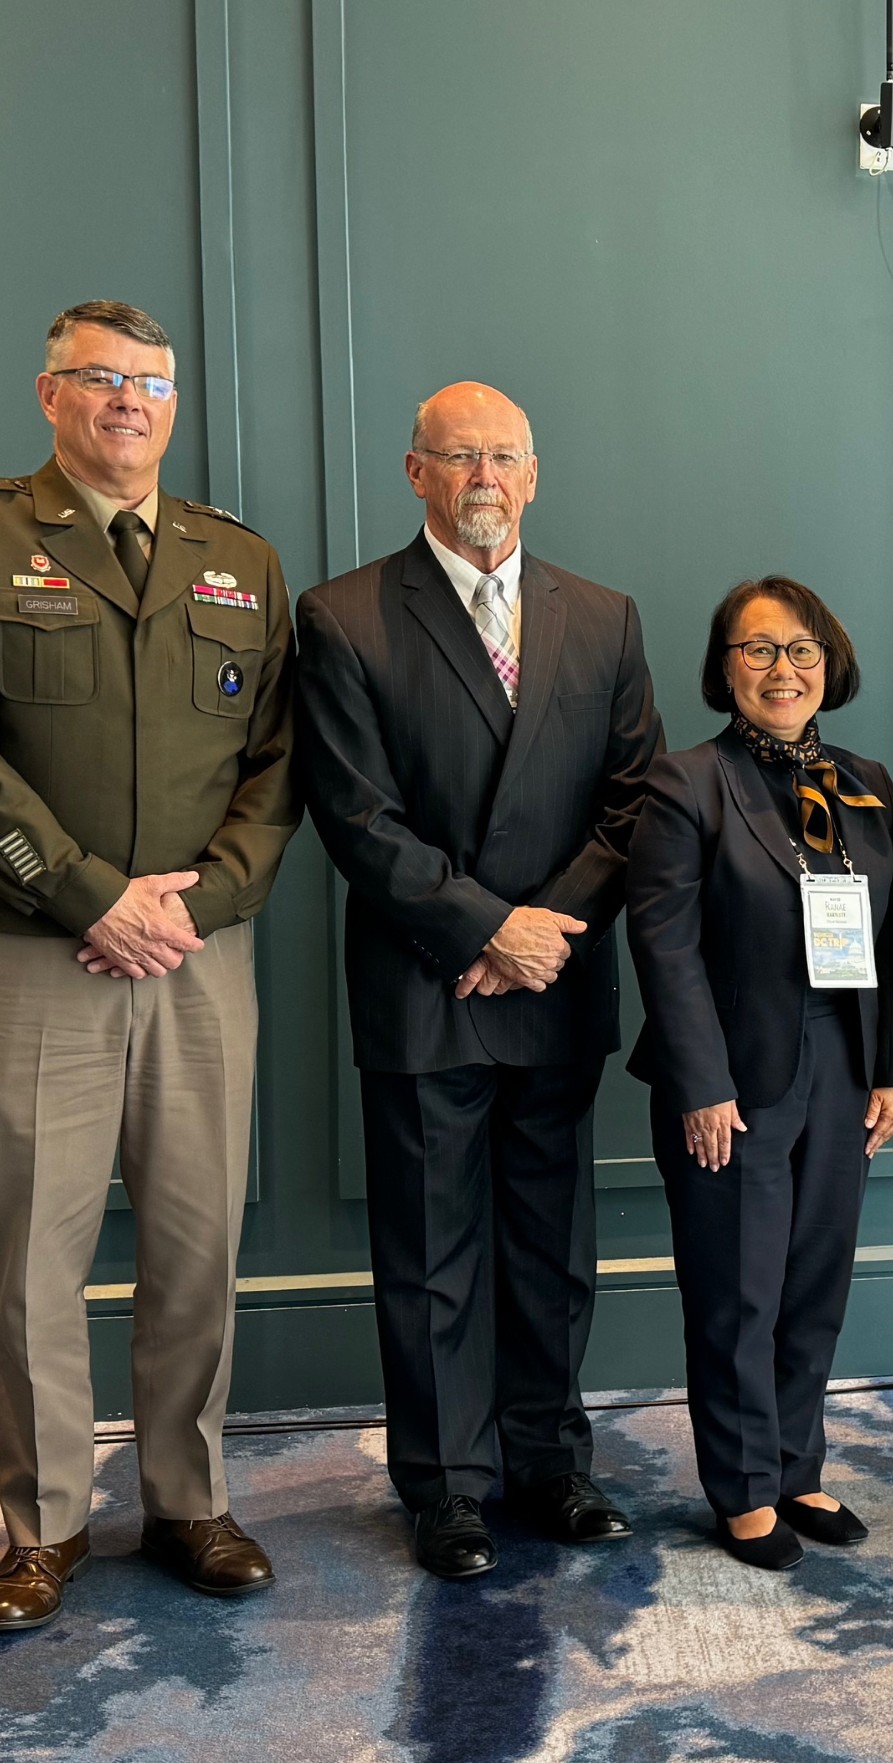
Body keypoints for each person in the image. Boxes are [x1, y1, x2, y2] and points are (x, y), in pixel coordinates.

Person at [0, 300, 299, 1628]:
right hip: (39, 951)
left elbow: (276, 769)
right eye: (98, 380)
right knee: (34, 1249)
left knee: (197, 1238)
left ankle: (189, 1498)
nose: (127, 403)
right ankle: (42, 1524)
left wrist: (199, 903)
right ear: (49, 394)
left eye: (148, 383)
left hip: (200, 957)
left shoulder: (237, 562)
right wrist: (95, 898)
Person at [294, 382, 663, 1579]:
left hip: (554, 981)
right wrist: (483, 929)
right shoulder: (344, 616)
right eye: (461, 459)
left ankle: (550, 1463)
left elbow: (633, 799)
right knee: (433, 1252)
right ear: (415, 474)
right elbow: (357, 814)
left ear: (536, 472)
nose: (485, 479)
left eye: (505, 456)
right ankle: (448, 1486)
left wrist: (542, 932)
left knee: (554, 1250)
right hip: (427, 985)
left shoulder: (602, 617)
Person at [626, 577, 893, 1570]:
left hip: (844, 1065)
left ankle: (799, 1464)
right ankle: (745, 1487)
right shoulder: (685, 783)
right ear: (724, 668)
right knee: (737, 1292)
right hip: (733, 1078)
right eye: (758, 651)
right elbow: (664, 946)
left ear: (829, 663)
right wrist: (702, 1084)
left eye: (800, 650)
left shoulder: (866, 782)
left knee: (813, 1282)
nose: (781, 670)